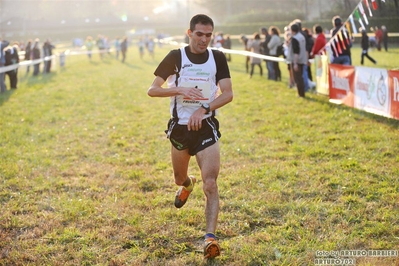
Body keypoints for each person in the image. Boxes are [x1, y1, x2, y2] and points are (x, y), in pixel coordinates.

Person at [147, 14, 233, 259]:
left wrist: (204, 109)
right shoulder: (176, 57)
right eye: (199, 34)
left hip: (206, 127)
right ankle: (187, 184)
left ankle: (210, 239)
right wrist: (178, 89)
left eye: (208, 35)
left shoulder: (217, 58)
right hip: (180, 128)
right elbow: (152, 90)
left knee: (212, 184)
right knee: (178, 178)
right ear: (189, 33)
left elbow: (227, 94)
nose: (204, 39)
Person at [289, 23, 307, 98]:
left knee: (297, 78)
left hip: (297, 60)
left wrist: (295, 63)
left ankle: (300, 94)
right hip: (302, 59)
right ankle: (302, 92)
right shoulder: (302, 37)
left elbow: (296, 52)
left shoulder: (295, 39)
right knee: (301, 77)